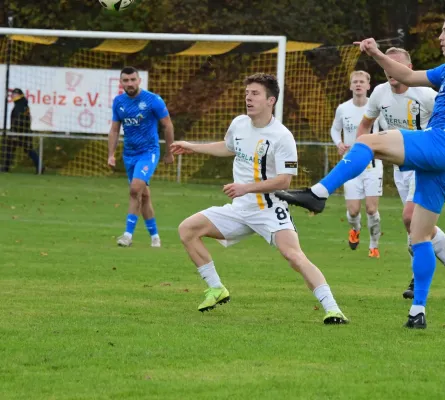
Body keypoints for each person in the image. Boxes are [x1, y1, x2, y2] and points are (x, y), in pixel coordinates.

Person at [276, 9, 445, 329]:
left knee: (369, 142)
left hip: (440, 143)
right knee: (419, 236)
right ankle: (418, 312)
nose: (440, 36)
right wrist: (375, 53)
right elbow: (406, 75)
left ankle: (318, 193)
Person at [170, 73, 348, 325]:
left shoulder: (283, 136)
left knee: (294, 256)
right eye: (247, 93)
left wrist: (246, 188)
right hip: (239, 208)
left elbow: (285, 181)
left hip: (269, 208)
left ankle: (333, 310)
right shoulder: (239, 123)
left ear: (270, 100)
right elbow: (228, 147)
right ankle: (216, 288)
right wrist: (192, 146)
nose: (248, 98)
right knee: (187, 229)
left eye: (255, 94)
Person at [356, 47, 445, 301]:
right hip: (401, 167)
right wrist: (359, 151)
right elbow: (365, 124)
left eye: (397, 64)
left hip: (426, 164)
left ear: (409, 69)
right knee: (415, 226)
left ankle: (420, 277)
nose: (392, 70)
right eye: (387, 65)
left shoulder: (426, 95)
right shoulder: (379, 93)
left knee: (411, 218)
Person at [107, 66, 174, 248]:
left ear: (139, 80)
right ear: (121, 83)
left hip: (148, 152)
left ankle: (127, 236)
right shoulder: (119, 102)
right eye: (126, 80)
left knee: (135, 189)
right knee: (143, 196)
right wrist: (111, 154)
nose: (129, 83)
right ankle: (155, 237)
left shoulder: (153, 100)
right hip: (129, 154)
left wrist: (169, 152)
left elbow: (167, 125)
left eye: (132, 80)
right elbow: (114, 129)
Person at [331, 70, 383, 258]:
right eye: (355, 82)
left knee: (371, 208)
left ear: (369, 86)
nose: (358, 84)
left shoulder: (375, 107)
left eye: (362, 81)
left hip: (373, 164)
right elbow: (335, 129)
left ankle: (373, 245)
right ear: (351, 86)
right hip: (351, 164)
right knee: (353, 211)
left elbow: (387, 129)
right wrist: (339, 143)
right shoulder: (343, 109)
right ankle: (355, 229)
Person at [1, 88, 43, 173]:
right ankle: (5, 167)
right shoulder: (21, 104)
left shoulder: (21, 106)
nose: (13, 96)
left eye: (15, 95)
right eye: (12, 95)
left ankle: (40, 167)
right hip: (20, 132)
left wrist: (14, 132)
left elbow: (20, 120)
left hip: (21, 133)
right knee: (9, 148)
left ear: (20, 95)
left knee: (28, 150)